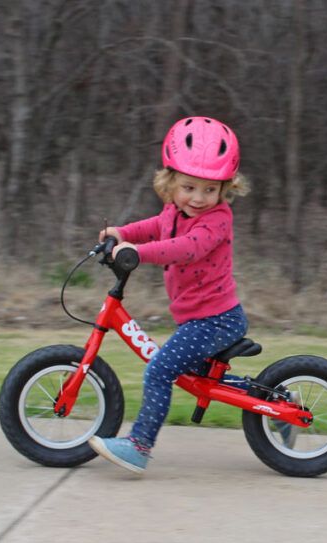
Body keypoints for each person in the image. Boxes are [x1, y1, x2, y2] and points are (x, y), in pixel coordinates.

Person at [88, 116, 249, 474]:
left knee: (159, 371)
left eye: (211, 190)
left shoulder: (217, 220)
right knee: (199, 379)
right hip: (199, 319)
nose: (199, 198)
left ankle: (139, 446)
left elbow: (186, 248)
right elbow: (155, 227)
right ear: (171, 184)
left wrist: (137, 253)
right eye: (189, 187)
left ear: (225, 189)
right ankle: (273, 399)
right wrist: (122, 232)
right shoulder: (173, 211)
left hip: (216, 319)